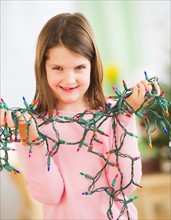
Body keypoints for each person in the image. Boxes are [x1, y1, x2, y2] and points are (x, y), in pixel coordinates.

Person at [0, 12, 160, 220]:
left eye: (79, 67)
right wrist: (32, 140)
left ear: (92, 66)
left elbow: (125, 184)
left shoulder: (114, 113)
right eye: (57, 68)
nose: (69, 79)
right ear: (43, 69)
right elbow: (49, 195)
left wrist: (124, 117)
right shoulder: (32, 124)